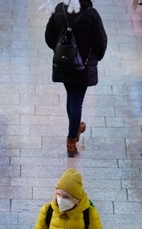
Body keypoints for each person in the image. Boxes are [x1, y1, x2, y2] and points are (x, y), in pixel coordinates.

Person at [44, 0, 108, 158]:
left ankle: (76, 127)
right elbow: (101, 41)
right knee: (76, 100)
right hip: (83, 65)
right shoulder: (92, 14)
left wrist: (61, 51)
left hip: (64, 63)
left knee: (71, 96)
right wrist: (95, 56)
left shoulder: (59, 9)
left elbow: (49, 36)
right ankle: (71, 139)